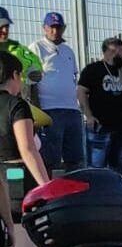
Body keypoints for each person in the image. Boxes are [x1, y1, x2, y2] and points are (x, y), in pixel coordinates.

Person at [0, 51, 53, 247]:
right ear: (16, 76)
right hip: (16, 177)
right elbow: (27, 150)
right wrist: (46, 186)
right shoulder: (17, 105)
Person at [29, 12, 84, 172]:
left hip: (72, 110)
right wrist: (36, 111)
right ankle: (49, 193)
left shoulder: (68, 51)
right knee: (50, 158)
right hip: (49, 109)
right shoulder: (36, 47)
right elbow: (30, 82)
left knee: (75, 158)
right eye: (52, 27)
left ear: (64, 28)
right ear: (44, 28)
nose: (55, 31)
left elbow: (73, 78)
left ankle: (74, 193)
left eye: (58, 27)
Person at [77, 38, 122, 174]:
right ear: (109, 51)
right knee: (97, 168)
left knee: (118, 167)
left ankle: (116, 194)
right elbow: (81, 92)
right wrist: (89, 116)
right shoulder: (93, 70)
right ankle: (97, 194)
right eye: (121, 51)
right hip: (100, 126)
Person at [0, 8, 42, 105]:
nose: (5, 30)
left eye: (7, 26)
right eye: (1, 26)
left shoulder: (18, 49)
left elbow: (35, 67)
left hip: (15, 98)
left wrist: (32, 74)